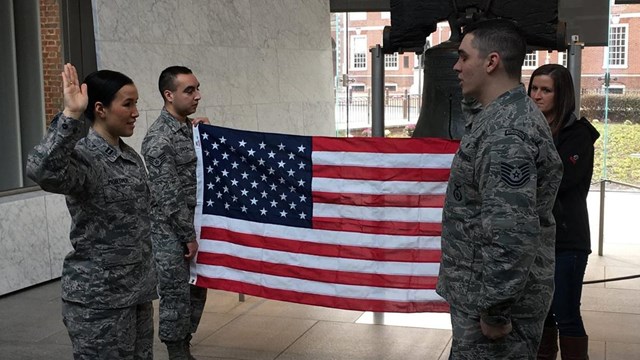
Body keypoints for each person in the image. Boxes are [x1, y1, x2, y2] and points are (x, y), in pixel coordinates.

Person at [436, 19, 563, 359]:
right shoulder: (502, 116)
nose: (456, 66)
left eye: (463, 57)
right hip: (480, 294)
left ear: (491, 62)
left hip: (493, 310)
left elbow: (510, 231)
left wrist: (494, 309)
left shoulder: (507, 135)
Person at [26, 63, 157, 359]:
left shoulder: (128, 155)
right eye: (128, 104)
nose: (136, 112)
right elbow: (41, 170)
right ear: (100, 109)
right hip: (99, 302)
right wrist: (71, 115)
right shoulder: (85, 158)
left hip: (135, 293)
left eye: (136, 103)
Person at [529, 64, 599, 360]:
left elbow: (560, 180)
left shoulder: (578, 136)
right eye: (533, 89)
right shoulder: (527, 129)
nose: (537, 96)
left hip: (568, 240)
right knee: (541, 315)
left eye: (546, 90)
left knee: (566, 313)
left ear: (562, 95)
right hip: (537, 238)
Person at [142, 66, 209, 359]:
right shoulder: (159, 138)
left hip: (192, 226)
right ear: (169, 95)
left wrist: (203, 133)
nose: (197, 96)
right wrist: (187, 236)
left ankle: (186, 342)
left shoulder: (187, 129)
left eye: (197, 89)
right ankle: (177, 352)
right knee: (176, 294)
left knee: (197, 289)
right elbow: (168, 196)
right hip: (172, 231)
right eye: (189, 90)